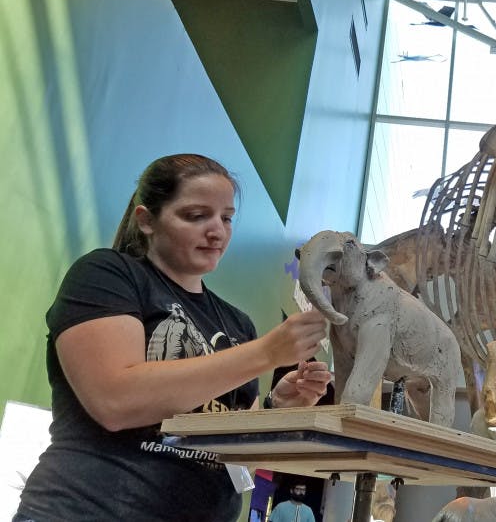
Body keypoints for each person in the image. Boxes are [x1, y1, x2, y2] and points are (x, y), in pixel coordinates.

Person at [15, 154, 332, 521]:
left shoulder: (237, 323)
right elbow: (115, 400)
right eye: (196, 216)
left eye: (226, 218)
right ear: (146, 220)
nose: (217, 231)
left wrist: (280, 407)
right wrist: (266, 353)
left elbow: (242, 458)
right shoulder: (108, 275)